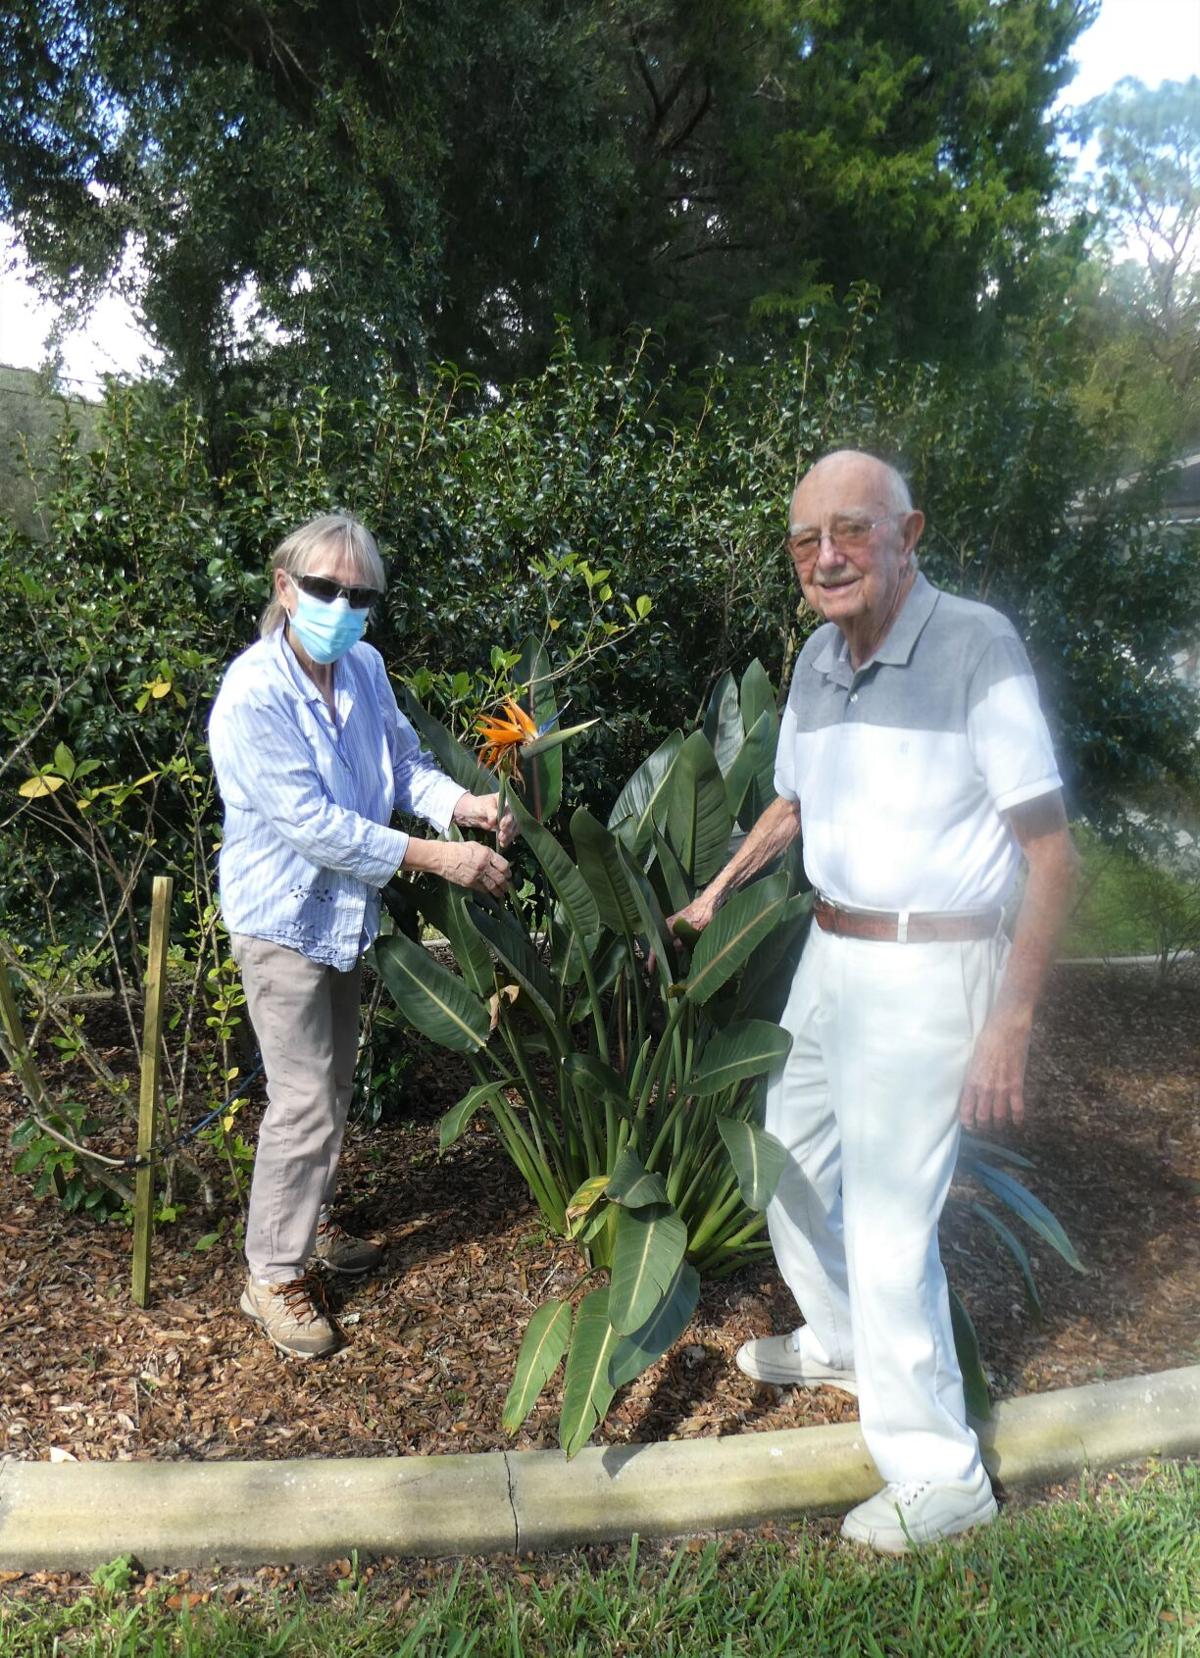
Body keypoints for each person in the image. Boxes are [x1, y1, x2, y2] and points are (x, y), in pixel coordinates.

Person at [671, 450, 1078, 1553]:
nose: (827, 556)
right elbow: (796, 799)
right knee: (786, 1144)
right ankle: (845, 1332)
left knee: (895, 1220)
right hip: (834, 948)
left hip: (928, 963)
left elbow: (1050, 852)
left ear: (910, 534)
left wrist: (1012, 1021)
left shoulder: (975, 644)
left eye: (852, 530)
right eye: (806, 540)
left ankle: (941, 1471)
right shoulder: (815, 653)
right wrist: (717, 889)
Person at [208, 512, 514, 1360]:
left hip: (343, 915)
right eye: (324, 588)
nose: (342, 605)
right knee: (304, 1096)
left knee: (330, 1089)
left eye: (359, 594)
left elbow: (407, 764)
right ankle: (270, 1273)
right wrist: (437, 857)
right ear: (284, 587)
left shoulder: (365, 667)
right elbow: (312, 823)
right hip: (283, 918)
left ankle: (303, 1225)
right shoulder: (254, 693)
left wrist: (465, 806)